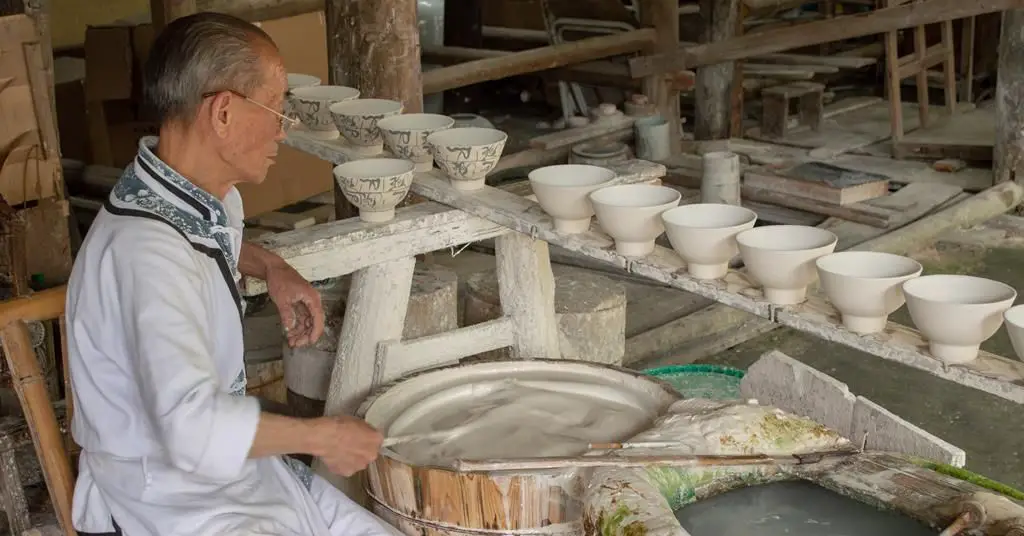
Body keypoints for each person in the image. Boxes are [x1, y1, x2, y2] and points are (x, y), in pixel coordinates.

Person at [64, 12, 402, 536]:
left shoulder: (185, 194)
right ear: (222, 112)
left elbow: (207, 238)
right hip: (163, 495)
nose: (284, 127)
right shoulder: (146, 254)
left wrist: (272, 265)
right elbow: (190, 428)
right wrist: (321, 437)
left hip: (227, 472)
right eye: (276, 107)